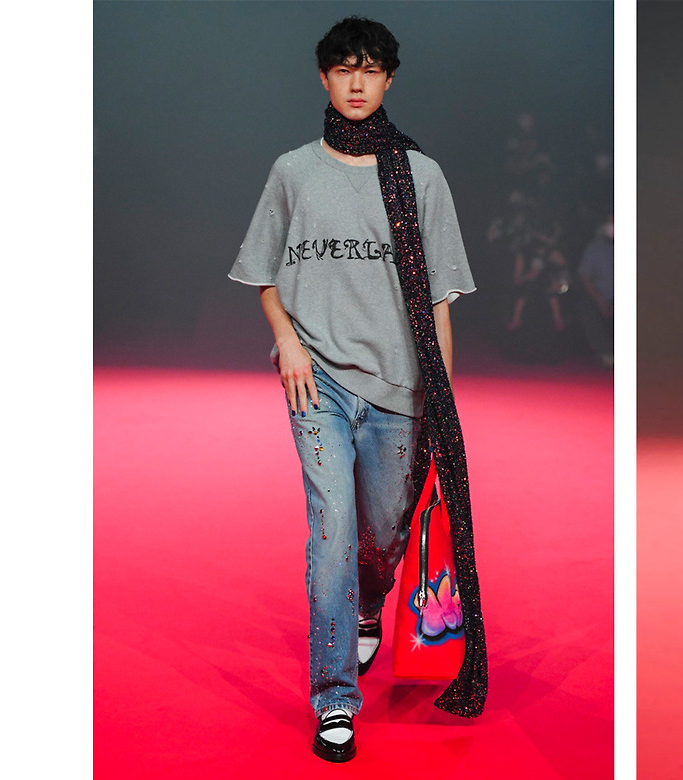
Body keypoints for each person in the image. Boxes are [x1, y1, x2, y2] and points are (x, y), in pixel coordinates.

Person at [228, 16, 487, 762]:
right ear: (324, 77)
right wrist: (286, 341)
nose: (356, 83)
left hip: (400, 387)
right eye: (344, 69)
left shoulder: (421, 176)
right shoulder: (293, 171)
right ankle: (335, 698)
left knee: (384, 534)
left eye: (370, 71)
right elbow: (264, 271)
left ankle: (370, 606)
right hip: (317, 382)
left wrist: (441, 401)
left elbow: (439, 299)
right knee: (333, 528)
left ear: (389, 80)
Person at [577, 216, 615, 367]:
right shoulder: (594, 249)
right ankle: (605, 353)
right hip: (600, 295)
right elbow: (585, 277)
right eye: (610, 223)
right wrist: (601, 301)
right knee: (585, 307)